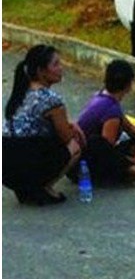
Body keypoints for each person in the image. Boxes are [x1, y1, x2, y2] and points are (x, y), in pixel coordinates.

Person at [2, 45, 85, 205]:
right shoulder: (51, 100)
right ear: (41, 71)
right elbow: (67, 138)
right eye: (56, 64)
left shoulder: (20, 93)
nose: (61, 68)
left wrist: (68, 124)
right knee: (75, 146)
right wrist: (73, 128)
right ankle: (44, 188)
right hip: (27, 163)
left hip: (5, 169)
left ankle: (26, 189)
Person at [75, 60, 135, 184]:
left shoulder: (102, 96)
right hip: (84, 165)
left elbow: (128, 127)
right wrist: (133, 161)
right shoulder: (111, 111)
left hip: (83, 157)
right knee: (105, 148)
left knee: (134, 141)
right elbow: (107, 150)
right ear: (128, 86)